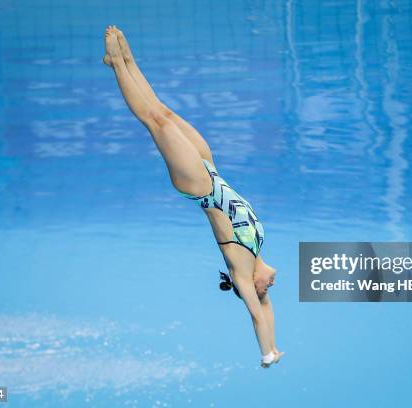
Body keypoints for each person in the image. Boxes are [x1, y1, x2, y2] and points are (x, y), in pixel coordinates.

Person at [103, 26, 284, 368]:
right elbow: (270, 314)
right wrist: (276, 346)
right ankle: (126, 59)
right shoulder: (257, 250)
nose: (271, 286)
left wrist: (265, 355)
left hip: (199, 186)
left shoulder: (242, 272)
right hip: (211, 171)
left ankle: (116, 65)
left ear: (252, 288)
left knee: (154, 121)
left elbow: (259, 316)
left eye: (265, 290)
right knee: (164, 112)